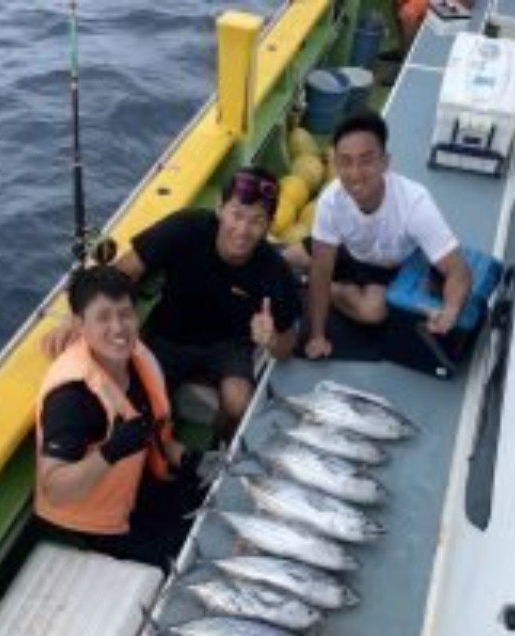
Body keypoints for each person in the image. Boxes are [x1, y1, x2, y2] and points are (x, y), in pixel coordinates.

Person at [44, 166, 302, 441]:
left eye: (256, 221)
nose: (242, 230)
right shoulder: (185, 228)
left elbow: (287, 346)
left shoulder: (275, 271)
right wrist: (78, 314)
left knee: (239, 403)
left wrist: (271, 339)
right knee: (131, 402)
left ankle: (220, 448)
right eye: (236, 215)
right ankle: (159, 440)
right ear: (220, 209)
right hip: (168, 337)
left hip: (228, 346)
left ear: (269, 225)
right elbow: (124, 272)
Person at [36, 265, 202, 571]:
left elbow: (153, 435)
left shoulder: (134, 357)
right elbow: (55, 489)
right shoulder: (72, 398)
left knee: (219, 509)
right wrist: (111, 451)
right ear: (78, 325)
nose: (118, 328)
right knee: (193, 562)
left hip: (145, 485)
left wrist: (190, 459)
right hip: (104, 520)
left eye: (125, 314)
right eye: (103, 317)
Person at [292, 111, 472, 360]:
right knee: (286, 258)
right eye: (345, 161)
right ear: (335, 165)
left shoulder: (415, 203)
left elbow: (459, 271)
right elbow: (322, 269)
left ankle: (323, 288)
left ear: (385, 162)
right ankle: (309, 280)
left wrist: (450, 312)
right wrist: (317, 336)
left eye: (366, 160)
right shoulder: (330, 201)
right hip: (347, 248)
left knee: (373, 311)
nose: (355, 173)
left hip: (389, 266)